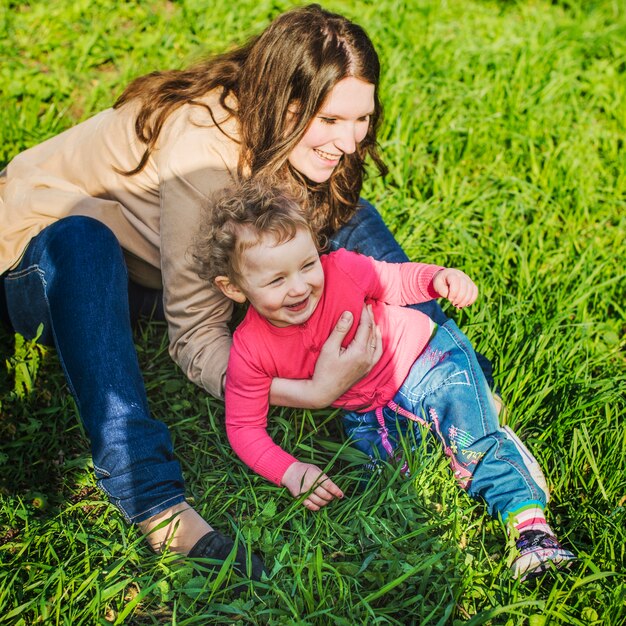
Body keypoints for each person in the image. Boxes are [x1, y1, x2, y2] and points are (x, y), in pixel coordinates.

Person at [0, 4, 492, 579]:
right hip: (39, 257)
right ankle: (153, 501)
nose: (352, 143)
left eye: (361, 120)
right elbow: (194, 339)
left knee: (348, 218)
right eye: (332, 121)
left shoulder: (282, 128)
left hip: (149, 266)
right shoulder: (201, 161)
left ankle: (449, 372)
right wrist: (309, 390)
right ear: (285, 101)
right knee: (88, 244)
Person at [194, 179, 576, 581]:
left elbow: (393, 279)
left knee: (471, 448)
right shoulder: (250, 350)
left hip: (428, 361)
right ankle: (449, 485)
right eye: (276, 280)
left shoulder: (340, 269)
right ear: (233, 288)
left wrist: (436, 279)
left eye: (307, 264)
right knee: (388, 484)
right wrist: (289, 471)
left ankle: (531, 531)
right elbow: (243, 426)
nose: (300, 286)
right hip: (366, 408)